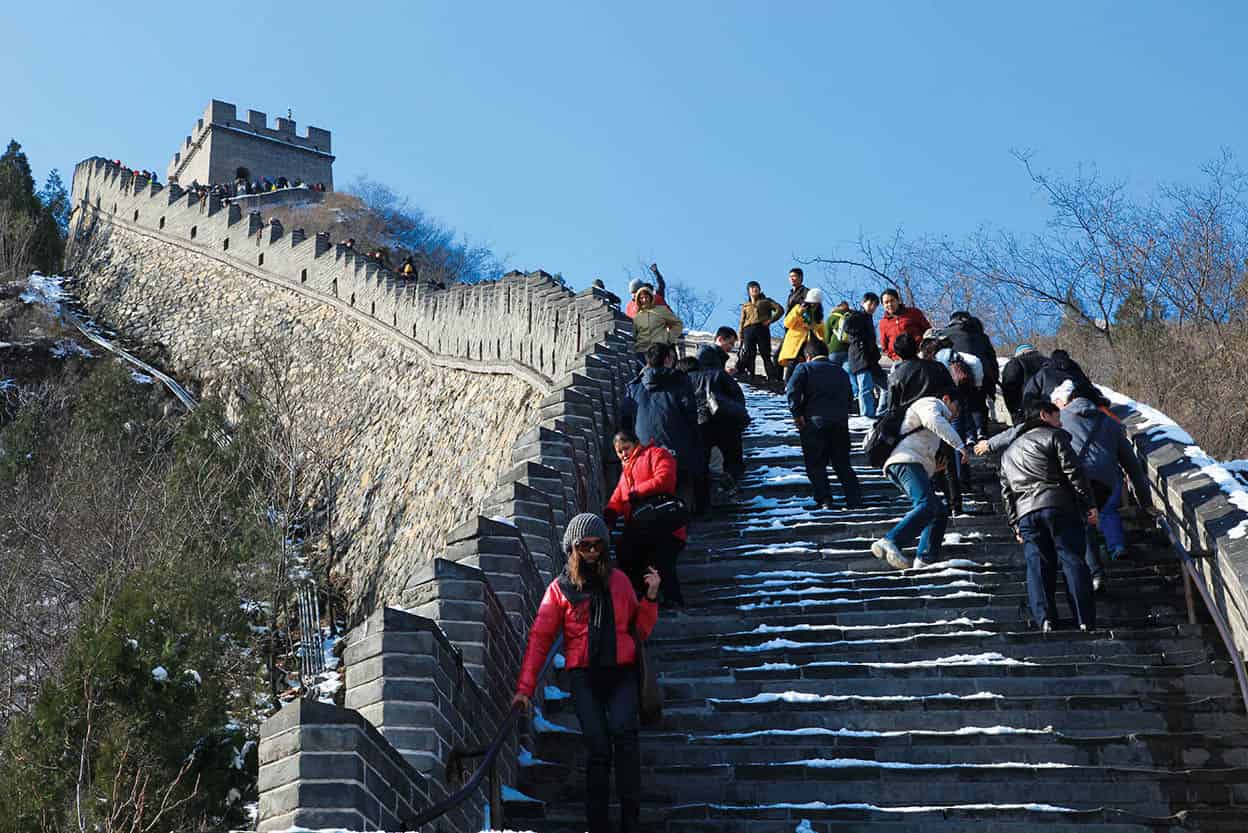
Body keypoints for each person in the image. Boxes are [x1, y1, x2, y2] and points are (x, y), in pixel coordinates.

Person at [513, 513, 660, 833]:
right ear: (572, 549)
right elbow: (540, 639)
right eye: (584, 545)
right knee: (598, 747)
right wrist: (525, 688)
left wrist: (650, 598)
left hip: (622, 673)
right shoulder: (560, 590)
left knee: (624, 736)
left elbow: (639, 631)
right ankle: (598, 825)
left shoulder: (619, 581)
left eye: (597, 545)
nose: (592, 551)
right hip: (585, 678)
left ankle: (630, 821)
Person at [999, 402, 1098, 632]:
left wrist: (1014, 523)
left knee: (1037, 566)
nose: (1061, 422)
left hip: (1026, 513)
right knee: (1072, 558)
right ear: (1044, 415)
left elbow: (1006, 493)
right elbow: (1074, 472)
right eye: (1057, 416)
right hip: (1058, 504)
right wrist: (1089, 504)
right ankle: (1084, 619)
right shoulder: (1053, 436)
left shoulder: (1008, 454)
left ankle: (1046, 619)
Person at [1052, 380, 1154, 591]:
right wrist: (1145, 502)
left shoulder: (1060, 418)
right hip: (1107, 479)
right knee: (1108, 510)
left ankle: (1095, 573)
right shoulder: (1111, 422)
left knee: (1084, 521)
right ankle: (1116, 546)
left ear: (1070, 400)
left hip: (1077, 477)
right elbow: (1132, 465)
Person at [871, 388, 968, 571]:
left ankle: (925, 559)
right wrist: (959, 445)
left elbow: (921, 447)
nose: (956, 415)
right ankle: (890, 540)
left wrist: (933, 467)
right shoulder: (931, 404)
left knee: (938, 511)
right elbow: (933, 421)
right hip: (904, 461)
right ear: (946, 398)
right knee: (926, 504)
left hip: (910, 463)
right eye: (957, 408)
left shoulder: (934, 420)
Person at [604, 431, 688, 609]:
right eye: (619, 452)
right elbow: (619, 496)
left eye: (626, 448)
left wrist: (639, 491)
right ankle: (644, 599)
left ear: (636, 444)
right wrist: (609, 514)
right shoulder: (626, 471)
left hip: (663, 525)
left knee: (662, 560)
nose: (623, 454)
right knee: (626, 556)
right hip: (639, 529)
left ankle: (673, 600)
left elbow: (665, 479)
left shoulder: (656, 454)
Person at [622, 343, 701, 512]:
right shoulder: (680, 381)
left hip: (643, 452)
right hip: (677, 450)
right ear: (667, 359)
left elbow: (626, 422)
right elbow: (691, 415)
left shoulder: (633, 386)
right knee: (680, 493)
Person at [786, 338, 863, 511]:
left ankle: (825, 499)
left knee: (816, 463)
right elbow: (850, 397)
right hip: (840, 424)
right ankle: (854, 498)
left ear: (808, 356)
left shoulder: (804, 368)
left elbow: (792, 391)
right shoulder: (841, 371)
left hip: (814, 423)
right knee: (842, 463)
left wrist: (797, 413)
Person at [943, 311, 998, 436]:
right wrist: (993, 380)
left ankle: (966, 436)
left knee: (960, 404)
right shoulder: (981, 336)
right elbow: (992, 358)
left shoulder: (946, 334)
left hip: (956, 374)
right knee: (978, 402)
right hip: (982, 374)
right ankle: (981, 431)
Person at [844, 292, 888, 418]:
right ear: (863, 303)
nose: (872, 307)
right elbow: (847, 327)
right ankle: (867, 416)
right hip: (860, 357)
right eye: (870, 303)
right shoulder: (857, 315)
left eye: (875, 304)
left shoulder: (868, 319)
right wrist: (861, 338)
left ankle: (879, 414)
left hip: (871, 360)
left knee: (886, 386)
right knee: (865, 388)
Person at [1022, 349, 1107, 413]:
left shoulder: (1075, 372)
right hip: (1060, 412)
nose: (1062, 363)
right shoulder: (1044, 373)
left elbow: (1028, 397)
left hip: (1063, 412)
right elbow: (1029, 397)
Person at [737, 281, 785, 379]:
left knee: (765, 354)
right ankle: (751, 376)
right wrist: (740, 335)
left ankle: (772, 377)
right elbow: (742, 321)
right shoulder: (746, 305)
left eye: (757, 287)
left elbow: (780, 310)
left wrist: (770, 320)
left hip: (761, 329)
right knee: (750, 354)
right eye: (752, 288)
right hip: (748, 330)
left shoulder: (766, 301)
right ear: (748, 291)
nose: (755, 289)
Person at [778, 288, 827, 381]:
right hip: (795, 342)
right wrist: (798, 312)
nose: (813, 305)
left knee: (806, 366)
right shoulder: (798, 308)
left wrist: (823, 343)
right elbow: (787, 323)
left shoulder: (818, 315)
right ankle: (787, 385)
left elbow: (822, 332)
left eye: (816, 303)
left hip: (808, 343)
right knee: (792, 363)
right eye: (812, 302)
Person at [878, 288, 932, 362]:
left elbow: (928, 331)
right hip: (899, 360)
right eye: (886, 302)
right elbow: (885, 347)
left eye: (892, 300)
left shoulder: (914, 312)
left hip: (920, 354)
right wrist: (895, 357)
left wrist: (924, 350)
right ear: (883, 305)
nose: (890, 304)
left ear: (898, 300)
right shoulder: (883, 323)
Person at [630, 285, 683, 359]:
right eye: (641, 298)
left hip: (659, 349)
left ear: (651, 297)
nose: (644, 300)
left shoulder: (661, 310)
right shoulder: (637, 316)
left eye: (646, 297)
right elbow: (634, 333)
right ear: (638, 300)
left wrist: (669, 338)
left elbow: (677, 324)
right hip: (642, 351)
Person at [1001, 344, 1048, 423]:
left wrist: (1014, 412)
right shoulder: (1050, 361)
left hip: (1027, 412)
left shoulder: (1015, 363)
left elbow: (1009, 389)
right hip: (1053, 410)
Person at [824, 300, 852, 370]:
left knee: (833, 374)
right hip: (849, 350)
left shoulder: (832, 317)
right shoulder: (852, 316)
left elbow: (827, 337)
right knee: (847, 374)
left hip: (834, 349)